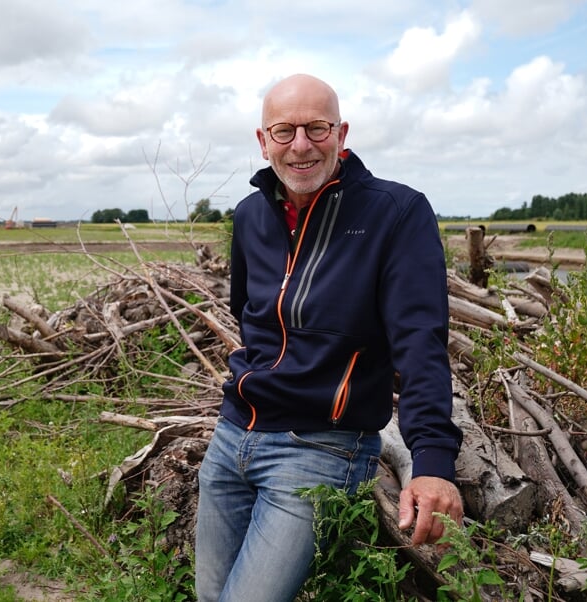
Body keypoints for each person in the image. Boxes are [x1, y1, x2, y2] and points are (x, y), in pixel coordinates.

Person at [195, 74, 464, 601]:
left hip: (320, 449)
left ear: (341, 133)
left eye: (316, 128)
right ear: (262, 139)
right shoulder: (251, 215)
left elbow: (420, 343)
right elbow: (251, 319)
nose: (301, 145)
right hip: (231, 439)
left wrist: (432, 462)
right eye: (284, 130)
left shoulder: (396, 213)